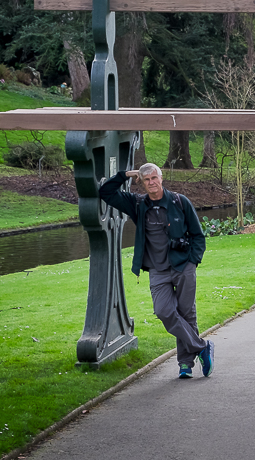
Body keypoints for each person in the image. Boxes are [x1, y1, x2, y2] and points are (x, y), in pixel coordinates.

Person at [99, 162, 214, 379]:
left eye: (154, 178)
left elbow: (198, 235)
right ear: (142, 183)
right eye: (146, 179)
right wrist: (126, 174)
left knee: (186, 313)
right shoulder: (137, 204)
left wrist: (193, 261)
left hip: (183, 266)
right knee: (164, 311)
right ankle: (201, 347)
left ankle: (185, 364)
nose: (151, 182)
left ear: (161, 178)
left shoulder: (180, 201)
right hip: (157, 269)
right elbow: (105, 192)